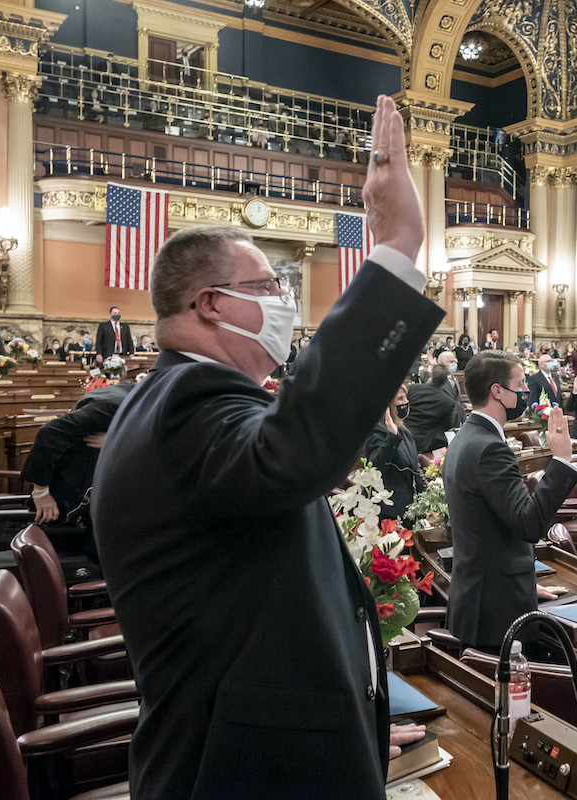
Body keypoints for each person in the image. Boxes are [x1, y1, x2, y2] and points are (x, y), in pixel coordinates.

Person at [90, 95, 441, 800]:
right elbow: (294, 452)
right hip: (237, 766)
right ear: (212, 304)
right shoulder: (187, 403)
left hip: (267, 741)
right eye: (269, 287)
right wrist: (395, 250)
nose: (286, 300)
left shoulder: (181, 400)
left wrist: (358, 722)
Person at [444, 351, 577, 652]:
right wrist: (561, 460)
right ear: (497, 391)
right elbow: (528, 523)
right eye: (520, 385)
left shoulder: (464, 438)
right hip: (496, 613)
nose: (525, 393)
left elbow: (489, 526)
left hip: (485, 594)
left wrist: (527, 587)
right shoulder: (490, 448)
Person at [22, 382, 133, 525]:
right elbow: (49, 432)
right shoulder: (115, 407)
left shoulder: (132, 392)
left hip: (93, 479)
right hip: (69, 486)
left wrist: (116, 439)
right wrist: (40, 492)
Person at [364, 383, 427, 523]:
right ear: (387, 406)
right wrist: (391, 437)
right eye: (400, 399)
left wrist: (425, 502)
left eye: (405, 397)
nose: (406, 402)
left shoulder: (404, 431)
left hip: (410, 510)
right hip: (389, 515)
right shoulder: (376, 432)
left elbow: (414, 469)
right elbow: (375, 468)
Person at [405, 366, 460, 453]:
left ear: (431, 376)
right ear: (445, 380)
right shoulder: (448, 401)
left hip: (406, 434)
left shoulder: (413, 388)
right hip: (426, 441)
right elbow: (447, 425)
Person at [435, 350, 466, 424]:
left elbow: (458, 401)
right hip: (443, 421)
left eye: (455, 361)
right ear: (441, 364)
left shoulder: (454, 379)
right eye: (451, 362)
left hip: (456, 420)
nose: (454, 364)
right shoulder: (437, 380)